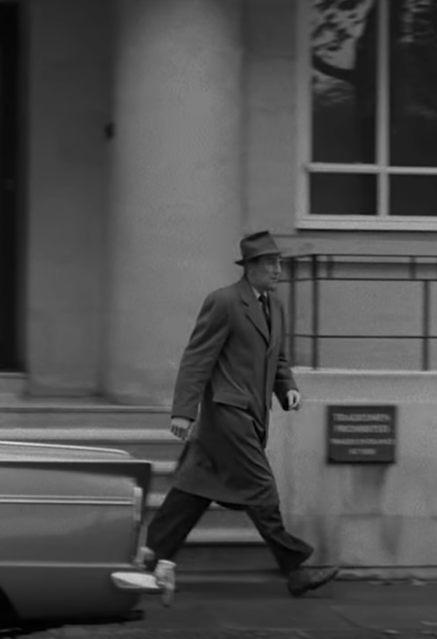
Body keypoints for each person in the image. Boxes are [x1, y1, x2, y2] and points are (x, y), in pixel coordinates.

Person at [137, 230, 340, 606]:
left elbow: (277, 358)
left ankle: (150, 553)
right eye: (270, 263)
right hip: (228, 414)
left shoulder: (273, 306)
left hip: (251, 413)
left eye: (278, 262)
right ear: (249, 268)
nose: (278, 269)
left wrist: (287, 387)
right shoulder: (224, 302)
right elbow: (197, 358)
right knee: (261, 488)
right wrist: (184, 411)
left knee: (194, 487)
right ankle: (294, 567)